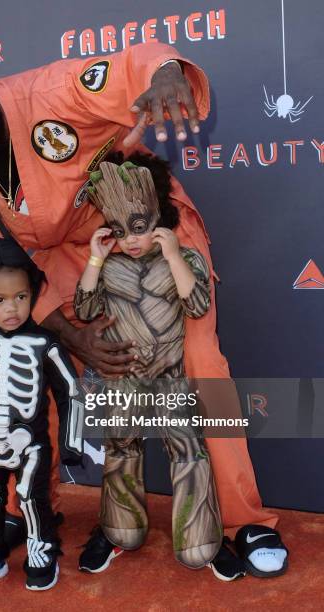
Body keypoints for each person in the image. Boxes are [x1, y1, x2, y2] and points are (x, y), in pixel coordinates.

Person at [0, 44, 286, 579]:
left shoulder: (49, 91)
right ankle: (22, 511)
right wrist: (65, 332)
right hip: (73, 259)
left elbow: (136, 64)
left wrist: (166, 74)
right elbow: (1, 271)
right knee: (40, 359)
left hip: (147, 232)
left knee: (201, 360)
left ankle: (243, 520)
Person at [75, 155, 223, 570]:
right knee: (121, 448)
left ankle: (198, 535)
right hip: (123, 379)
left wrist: (174, 255)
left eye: (139, 227)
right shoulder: (110, 266)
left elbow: (196, 305)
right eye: (120, 230)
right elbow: (84, 311)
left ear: (159, 212)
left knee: (189, 450)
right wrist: (95, 259)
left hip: (171, 377)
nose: (131, 239)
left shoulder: (184, 259)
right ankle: (123, 526)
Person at [0, 236, 83, 592]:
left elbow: (71, 390)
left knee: (30, 495)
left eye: (21, 297)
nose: (12, 308)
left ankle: (42, 547)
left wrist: (70, 443)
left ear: (33, 294)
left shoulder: (45, 345)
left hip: (30, 442)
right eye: (0, 300)